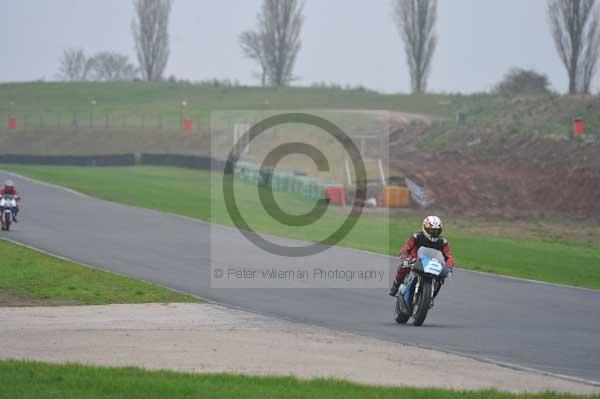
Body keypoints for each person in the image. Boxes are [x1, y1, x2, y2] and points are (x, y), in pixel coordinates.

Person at [389, 216, 455, 297]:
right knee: (403, 265)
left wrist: (449, 267)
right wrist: (404, 258)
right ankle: (396, 285)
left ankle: (431, 296)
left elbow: (448, 256)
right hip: (415, 260)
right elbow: (406, 249)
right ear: (425, 228)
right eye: (431, 231)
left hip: (433, 263)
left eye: (437, 231)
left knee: (442, 277)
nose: (434, 234)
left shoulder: (443, 242)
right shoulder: (416, 236)